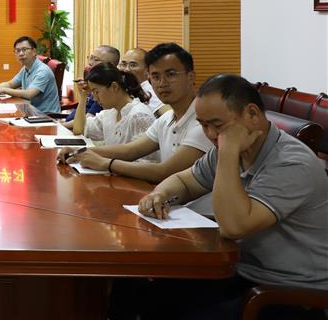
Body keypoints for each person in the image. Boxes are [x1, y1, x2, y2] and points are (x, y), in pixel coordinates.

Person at [110, 74, 328, 320]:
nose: (211, 134)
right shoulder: (230, 147)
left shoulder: (291, 163)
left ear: (252, 114)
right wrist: (160, 194)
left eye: (217, 125)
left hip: (290, 292)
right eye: (203, 125)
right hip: (241, 270)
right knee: (133, 288)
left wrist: (228, 151)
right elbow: (185, 181)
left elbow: (234, 227)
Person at [61, 43, 212, 183]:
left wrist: (106, 164)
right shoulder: (166, 119)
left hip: (188, 204)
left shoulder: (205, 123)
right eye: (156, 77)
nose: (162, 83)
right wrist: (79, 151)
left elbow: (164, 171)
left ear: (191, 77)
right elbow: (130, 150)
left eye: (171, 74)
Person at [67, 62, 157, 158]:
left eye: (96, 92)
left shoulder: (139, 115)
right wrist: (83, 97)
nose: (95, 98)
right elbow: (79, 130)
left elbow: (146, 161)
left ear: (114, 87)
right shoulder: (110, 112)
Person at [0, 36, 60, 114]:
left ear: (34, 51)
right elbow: (10, 84)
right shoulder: (26, 68)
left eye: (24, 50)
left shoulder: (42, 71)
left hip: (46, 115)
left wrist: (3, 90)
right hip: (30, 110)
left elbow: (29, 94)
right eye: (17, 50)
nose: (21, 53)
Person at [66, 44, 121, 120]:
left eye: (96, 60)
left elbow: (88, 121)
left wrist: (61, 125)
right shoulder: (94, 82)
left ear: (110, 65)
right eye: (90, 58)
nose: (90, 63)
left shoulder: (106, 87)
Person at [118, 47, 165, 115]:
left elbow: (169, 115)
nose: (126, 69)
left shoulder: (149, 92)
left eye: (133, 65)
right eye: (123, 64)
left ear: (147, 70)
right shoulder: (125, 89)